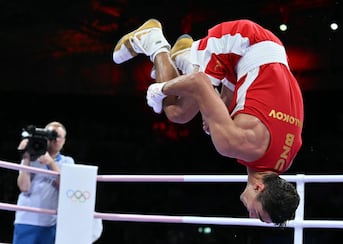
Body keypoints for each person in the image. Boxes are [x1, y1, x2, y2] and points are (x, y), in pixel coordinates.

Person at [112, 18, 304, 226]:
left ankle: (185, 57)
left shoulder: (285, 159)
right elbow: (199, 83)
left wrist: (218, 116)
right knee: (178, 112)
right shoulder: (235, 144)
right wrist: (160, 90)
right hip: (240, 43)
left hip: (264, 56)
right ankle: (152, 40)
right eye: (258, 214)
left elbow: (257, 109)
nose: (251, 216)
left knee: (211, 113)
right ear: (260, 188)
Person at [12, 121, 75, 244]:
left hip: (49, 222)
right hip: (26, 219)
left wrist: (50, 163)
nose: (55, 140)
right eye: (52, 136)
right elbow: (24, 187)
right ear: (46, 137)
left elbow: (68, 187)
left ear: (64, 141)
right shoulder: (30, 158)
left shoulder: (67, 162)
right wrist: (25, 158)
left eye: (59, 137)